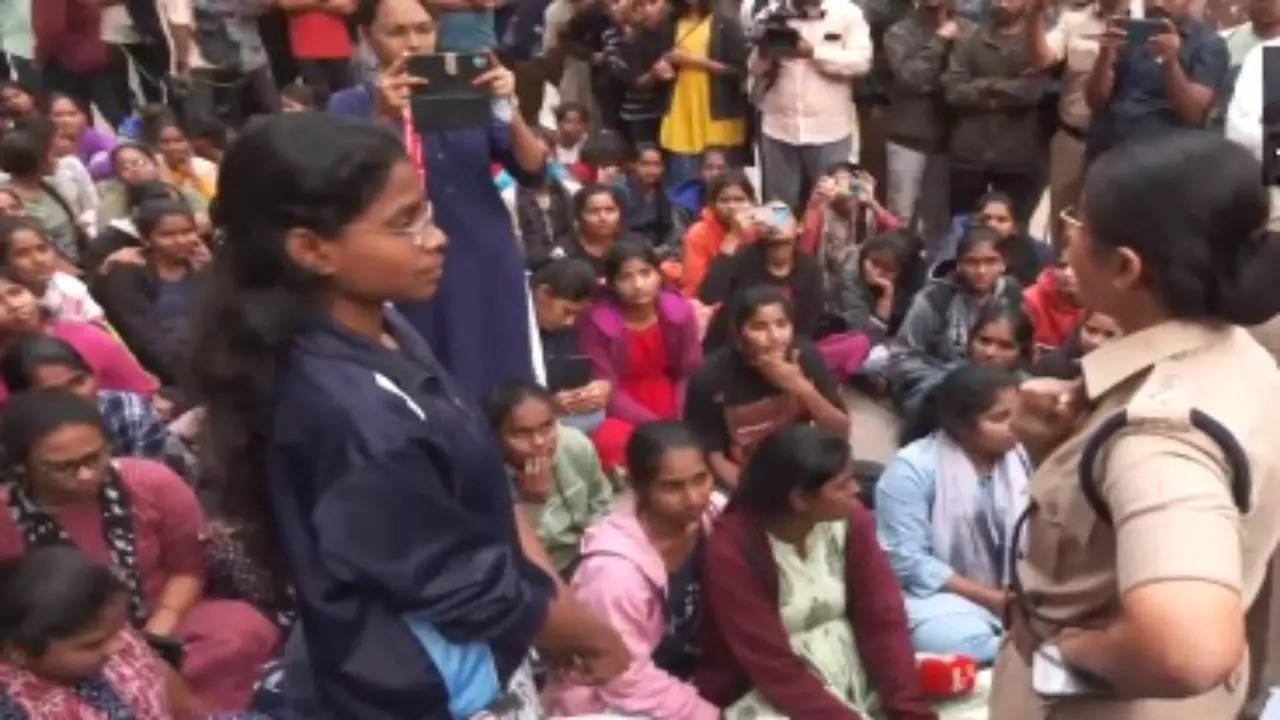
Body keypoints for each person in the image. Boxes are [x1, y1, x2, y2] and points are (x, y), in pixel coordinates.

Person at [189, 112, 629, 718]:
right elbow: (468, 585)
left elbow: (489, 507)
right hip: (427, 687)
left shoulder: (382, 325)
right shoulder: (350, 414)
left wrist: (551, 595)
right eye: (405, 224)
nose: (437, 236)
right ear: (312, 250)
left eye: (424, 211)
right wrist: (588, 636)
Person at [989, 132, 1280, 719]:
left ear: (1125, 267)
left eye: (1078, 223)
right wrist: (1057, 447)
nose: (1066, 239)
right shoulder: (1239, 355)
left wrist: (1068, 652)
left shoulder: (1157, 435)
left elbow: (1188, 648)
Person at [0, 388, 281, 710]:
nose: (86, 475)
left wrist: (157, 631)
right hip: (63, 642)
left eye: (94, 457)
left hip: (163, 615)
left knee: (240, 630)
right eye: (63, 467)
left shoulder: (151, 482)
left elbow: (187, 569)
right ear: (22, 466)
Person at [330, 0, 547, 404]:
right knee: (424, 382)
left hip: (482, 259)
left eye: (423, 29)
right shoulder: (348, 106)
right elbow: (344, 189)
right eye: (396, 32)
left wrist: (509, 107)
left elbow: (533, 170)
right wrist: (382, 117)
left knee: (500, 383)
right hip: (401, 266)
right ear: (367, 37)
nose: (413, 43)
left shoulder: (469, 89)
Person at [696, 424, 936, 718]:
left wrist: (907, 706)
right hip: (771, 690)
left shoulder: (851, 519)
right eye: (842, 485)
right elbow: (769, 663)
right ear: (799, 498)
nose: (857, 490)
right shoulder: (732, 549)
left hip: (856, 671)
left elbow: (882, 618)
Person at [553, 421, 720, 719]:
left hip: (687, 674)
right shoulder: (612, 573)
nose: (694, 497)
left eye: (701, 478)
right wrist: (705, 713)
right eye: (672, 487)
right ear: (637, 486)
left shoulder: (714, 517)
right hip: (614, 700)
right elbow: (622, 677)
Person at [876, 363, 1028, 664]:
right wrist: (993, 598)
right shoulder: (914, 468)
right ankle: (1019, 654)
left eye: (1018, 413)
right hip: (937, 598)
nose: (1017, 426)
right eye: (1000, 418)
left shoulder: (1025, 456)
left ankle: (1022, 651)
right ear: (960, 425)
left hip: (1021, 591)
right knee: (955, 640)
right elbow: (906, 560)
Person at [0, 545, 215, 717]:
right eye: (92, 645)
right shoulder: (20, 708)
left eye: (119, 630)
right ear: (19, 653)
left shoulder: (115, 637)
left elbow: (186, 706)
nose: (117, 646)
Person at [684, 286, 848, 487]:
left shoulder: (804, 356)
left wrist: (802, 387)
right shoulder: (710, 376)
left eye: (781, 324)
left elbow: (840, 431)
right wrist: (755, 497)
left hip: (800, 467)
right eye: (759, 327)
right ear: (738, 333)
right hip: (743, 476)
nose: (774, 337)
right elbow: (714, 457)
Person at [580, 240, 702, 469]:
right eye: (626, 277)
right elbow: (607, 387)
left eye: (645, 273)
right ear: (612, 283)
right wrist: (653, 426)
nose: (638, 285)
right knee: (611, 442)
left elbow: (690, 369)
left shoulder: (679, 312)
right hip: (621, 406)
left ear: (658, 274)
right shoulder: (597, 323)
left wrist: (680, 414)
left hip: (673, 396)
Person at [750, 0, 872, 212]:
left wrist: (813, 52)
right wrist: (765, 55)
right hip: (778, 127)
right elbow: (753, 68)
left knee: (831, 205)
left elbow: (860, 62)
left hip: (829, 130)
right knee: (779, 208)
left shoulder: (847, 12)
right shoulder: (770, 13)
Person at [487, 382, 615, 576]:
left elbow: (601, 501)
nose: (539, 442)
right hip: (535, 571)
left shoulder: (574, 444)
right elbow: (507, 555)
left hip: (587, 554)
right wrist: (531, 504)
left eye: (547, 426)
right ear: (496, 437)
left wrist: (596, 546)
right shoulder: (488, 475)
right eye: (522, 433)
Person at [1023, 0, 1124, 247]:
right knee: (1063, 228)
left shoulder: (1149, 19)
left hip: (1123, 145)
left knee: (1113, 230)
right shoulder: (1073, 20)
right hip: (1074, 139)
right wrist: (1034, 14)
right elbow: (1043, 59)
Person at [890, 225, 1022, 409]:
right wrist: (951, 377)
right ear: (959, 264)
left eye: (991, 261)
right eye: (972, 262)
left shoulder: (1012, 295)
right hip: (935, 385)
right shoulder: (933, 299)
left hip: (993, 383)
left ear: (1003, 263)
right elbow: (901, 356)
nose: (981, 271)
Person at [0, 335, 179, 468]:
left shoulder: (129, 411)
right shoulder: (12, 444)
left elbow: (152, 484)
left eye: (78, 381)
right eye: (54, 392)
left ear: (92, 375)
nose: (75, 396)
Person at [942, 0, 1046, 225]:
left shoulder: (1037, 44)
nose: (1001, 3)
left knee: (1014, 232)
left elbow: (1031, 92)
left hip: (1017, 156)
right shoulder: (968, 39)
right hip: (969, 153)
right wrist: (1006, 89)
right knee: (963, 228)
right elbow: (954, 91)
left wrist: (982, 85)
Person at [1083, 0, 1227, 161]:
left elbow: (1194, 114)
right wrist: (1105, 55)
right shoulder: (1128, 30)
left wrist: (1171, 63)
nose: (1158, 3)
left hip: (1160, 161)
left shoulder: (1209, 44)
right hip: (1105, 152)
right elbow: (1094, 101)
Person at [884, 0, 972, 252]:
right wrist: (940, 39)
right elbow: (912, 77)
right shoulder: (899, 32)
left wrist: (949, 85)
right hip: (908, 137)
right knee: (899, 220)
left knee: (942, 224)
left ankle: (936, 281)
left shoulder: (969, 28)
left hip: (952, 139)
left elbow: (966, 82)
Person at [97, 197, 207, 385]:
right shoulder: (127, 275)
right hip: (166, 375)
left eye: (187, 232)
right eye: (167, 235)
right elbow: (143, 340)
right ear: (146, 238)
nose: (180, 240)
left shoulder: (201, 266)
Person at [0, 276, 157, 402]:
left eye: (16, 293)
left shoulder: (87, 336)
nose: (14, 305)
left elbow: (142, 394)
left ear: (33, 294)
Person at [699, 203, 825, 347]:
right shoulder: (742, 259)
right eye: (769, 217)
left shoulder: (810, 268)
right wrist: (733, 236)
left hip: (788, 348)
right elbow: (709, 297)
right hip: (738, 348)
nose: (775, 223)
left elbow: (808, 325)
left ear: (799, 227)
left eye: (781, 216)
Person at [659, 0, 748, 188]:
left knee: (722, 185)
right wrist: (664, 66)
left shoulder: (726, 24)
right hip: (681, 110)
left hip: (717, 112)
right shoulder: (670, 23)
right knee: (683, 184)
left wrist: (693, 60)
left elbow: (740, 70)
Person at [530, 258, 611, 432]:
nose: (570, 322)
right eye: (567, 311)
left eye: (577, 315)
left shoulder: (563, 329)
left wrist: (595, 390)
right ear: (543, 294)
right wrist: (547, 405)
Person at [799, 163, 904, 290]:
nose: (844, 190)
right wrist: (813, 205)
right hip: (829, 283)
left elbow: (898, 232)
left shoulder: (867, 211)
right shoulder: (821, 212)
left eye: (849, 184)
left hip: (865, 280)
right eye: (837, 183)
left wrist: (873, 202)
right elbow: (805, 252)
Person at [0, 119, 86, 265]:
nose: (56, 160)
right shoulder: (11, 204)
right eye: (51, 155)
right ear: (36, 163)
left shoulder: (49, 186)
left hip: (78, 259)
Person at [32, 0, 127, 129]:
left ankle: (85, 147)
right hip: (95, 54)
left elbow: (49, 30)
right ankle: (137, 143)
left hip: (64, 60)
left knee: (68, 118)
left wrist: (41, 57)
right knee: (116, 113)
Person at [0, 215, 105, 326]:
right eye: (22, 254)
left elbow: (100, 326)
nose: (38, 260)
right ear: (4, 263)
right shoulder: (7, 306)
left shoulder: (68, 286)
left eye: (42, 249)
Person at [827, 229, 926, 344]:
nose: (876, 273)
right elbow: (861, 338)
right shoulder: (851, 273)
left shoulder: (915, 277)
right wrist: (886, 298)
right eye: (874, 263)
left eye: (887, 269)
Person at [601, 0, 676, 146]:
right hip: (636, 115)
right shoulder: (617, 41)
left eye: (649, 4)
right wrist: (655, 73)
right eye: (639, 7)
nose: (645, 11)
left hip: (664, 110)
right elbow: (634, 81)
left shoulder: (663, 33)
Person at [95, 144, 209, 234]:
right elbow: (107, 230)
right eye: (125, 167)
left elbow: (205, 222)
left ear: (155, 164)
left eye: (140, 163)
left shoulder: (184, 192)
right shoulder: (117, 198)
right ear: (119, 175)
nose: (134, 170)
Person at [680, 168, 755, 297]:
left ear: (751, 202)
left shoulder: (759, 228)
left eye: (739, 200)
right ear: (712, 205)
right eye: (724, 200)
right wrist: (734, 235)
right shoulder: (698, 234)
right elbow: (696, 288)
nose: (732, 206)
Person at [281, 0, 358, 108]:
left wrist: (306, 6)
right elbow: (286, 3)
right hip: (306, 48)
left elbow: (347, 7)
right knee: (319, 102)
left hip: (338, 47)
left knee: (347, 101)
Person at [139, 108, 219, 205]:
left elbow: (214, 201)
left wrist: (192, 175)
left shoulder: (204, 167)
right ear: (157, 145)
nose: (172, 147)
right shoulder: (151, 169)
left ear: (189, 142)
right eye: (165, 142)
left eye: (178, 141)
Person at [977, 191, 1051, 286]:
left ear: (1014, 228)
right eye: (986, 218)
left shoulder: (1035, 255)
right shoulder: (965, 249)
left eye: (1001, 220)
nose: (992, 224)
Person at [554, 184, 627, 278]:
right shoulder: (563, 253)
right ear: (579, 216)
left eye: (610, 210)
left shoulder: (632, 245)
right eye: (594, 211)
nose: (603, 218)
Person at [1029, 307, 1121, 378]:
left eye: (1109, 335)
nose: (1096, 341)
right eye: (1091, 330)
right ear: (1080, 327)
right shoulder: (1050, 365)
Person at [1022, 248, 1084, 350]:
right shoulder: (1030, 300)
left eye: (1078, 266)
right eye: (1062, 266)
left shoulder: (1104, 304)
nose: (1067, 273)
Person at [626, 142, 681, 251]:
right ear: (632, 165)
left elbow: (672, 232)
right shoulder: (621, 191)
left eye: (657, 164)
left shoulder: (665, 197)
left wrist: (663, 249)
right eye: (645, 164)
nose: (651, 170)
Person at [47, 93, 116, 179]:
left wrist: (90, 171)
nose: (65, 120)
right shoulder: (44, 142)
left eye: (72, 114)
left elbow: (117, 155)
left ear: (84, 117)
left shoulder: (96, 139)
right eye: (58, 115)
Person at [966, 302, 1035, 375]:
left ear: (1022, 353)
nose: (990, 352)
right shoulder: (953, 377)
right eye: (984, 341)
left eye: (1005, 346)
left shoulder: (1030, 385)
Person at [670, 146, 729, 217]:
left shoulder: (737, 198)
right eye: (709, 168)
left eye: (720, 168)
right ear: (700, 172)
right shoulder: (684, 204)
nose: (715, 173)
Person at [554, 101, 591, 168]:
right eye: (568, 122)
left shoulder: (589, 147)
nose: (573, 127)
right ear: (558, 124)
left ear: (585, 126)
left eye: (579, 122)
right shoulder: (550, 147)